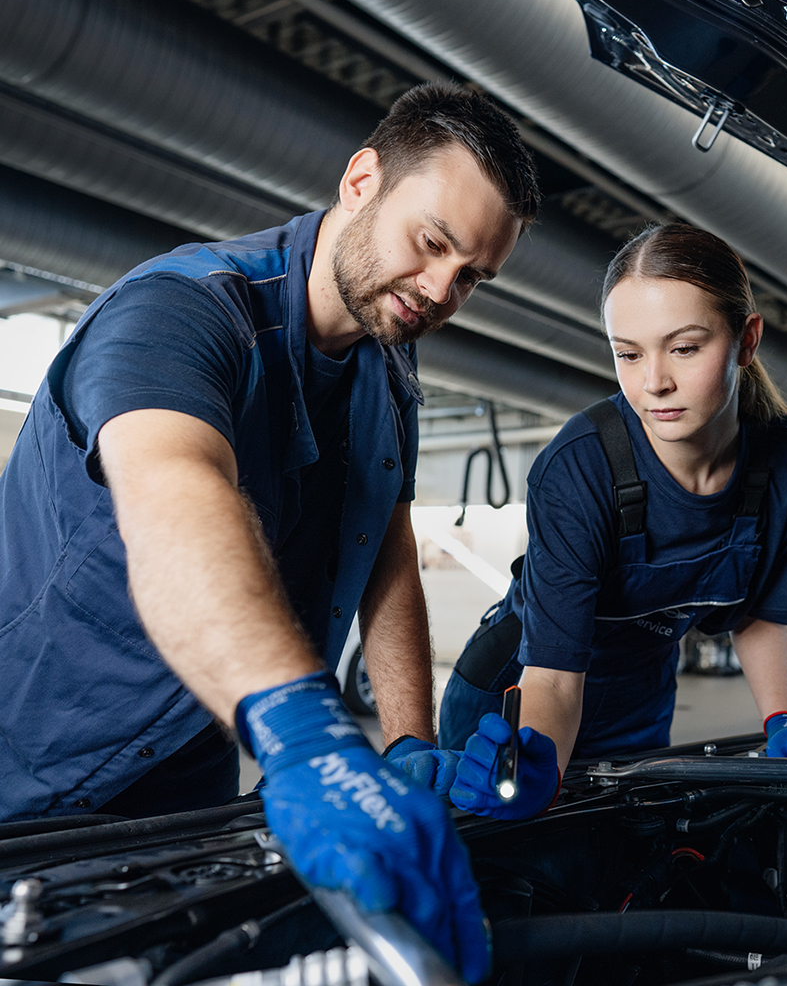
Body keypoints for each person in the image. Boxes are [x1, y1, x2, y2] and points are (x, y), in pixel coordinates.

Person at [0, 82, 540, 981]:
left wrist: (407, 740)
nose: (444, 289)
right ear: (362, 179)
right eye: (434, 243)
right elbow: (176, 492)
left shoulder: (389, 369)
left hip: (191, 789)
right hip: (33, 773)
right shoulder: (182, 311)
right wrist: (305, 731)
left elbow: (386, 545)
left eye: (473, 275)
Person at [437, 223, 787, 815]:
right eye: (628, 354)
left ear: (746, 341)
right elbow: (556, 673)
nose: (654, 382)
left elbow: (759, 614)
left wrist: (783, 720)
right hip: (516, 698)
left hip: (642, 693)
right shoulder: (579, 468)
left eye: (685, 347)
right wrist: (536, 764)